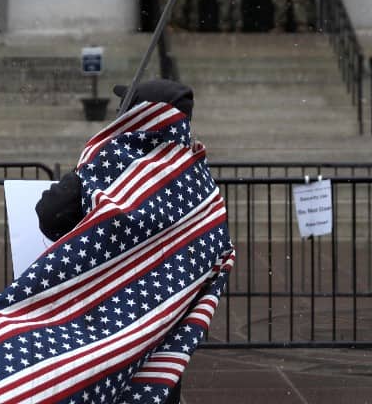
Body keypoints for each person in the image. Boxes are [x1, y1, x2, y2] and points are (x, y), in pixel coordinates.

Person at [23, 79, 223, 404]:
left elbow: (50, 213)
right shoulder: (196, 177)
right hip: (161, 326)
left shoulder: (114, 168)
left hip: (101, 320)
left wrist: (84, 173)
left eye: (125, 107)